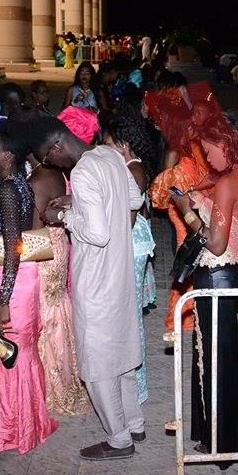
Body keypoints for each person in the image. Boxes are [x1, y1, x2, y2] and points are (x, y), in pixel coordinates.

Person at [29, 116, 145, 461]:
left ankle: (119, 439)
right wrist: (76, 204)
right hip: (120, 275)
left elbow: (97, 234)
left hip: (95, 281)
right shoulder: (109, 155)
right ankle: (135, 422)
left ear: (57, 146)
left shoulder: (81, 172)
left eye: (50, 159)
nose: (54, 167)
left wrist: (62, 218)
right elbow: (135, 200)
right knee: (122, 356)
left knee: (95, 364)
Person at [171, 114, 238, 458]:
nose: (207, 158)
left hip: (217, 271)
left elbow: (217, 243)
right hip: (230, 273)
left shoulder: (228, 183)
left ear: (224, 145)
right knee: (219, 357)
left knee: (214, 359)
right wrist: (202, 199)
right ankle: (221, 438)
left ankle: (221, 443)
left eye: (209, 151)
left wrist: (188, 212)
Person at [0, 121, 58, 453]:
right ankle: (31, 423)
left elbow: (13, 244)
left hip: (10, 276)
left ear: (8, 155)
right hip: (20, 270)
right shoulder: (17, 184)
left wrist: (3, 298)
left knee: (10, 354)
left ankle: (15, 432)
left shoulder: (10, 190)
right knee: (21, 355)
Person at [25, 147, 89, 417]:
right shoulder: (55, 172)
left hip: (44, 254)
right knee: (58, 306)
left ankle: (52, 388)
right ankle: (67, 378)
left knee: (45, 314)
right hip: (59, 244)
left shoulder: (36, 181)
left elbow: (33, 238)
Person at [102, 115, 156, 404]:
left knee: (130, 319)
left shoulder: (132, 172)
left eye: (109, 144)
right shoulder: (129, 168)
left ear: (123, 145)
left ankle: (136, 387)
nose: (106, 148)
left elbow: (127, 220)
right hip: (134, 244)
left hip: (131, 246)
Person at [149, 104, 210, 331]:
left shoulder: (190, 148)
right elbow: (169, 187)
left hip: (193, 206)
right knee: (190, 256)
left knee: (193, 257)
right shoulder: (182, 149)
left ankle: (190, 313)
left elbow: (168, 187)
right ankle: (185, 315)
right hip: (186, 208)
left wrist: (190, 193)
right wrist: (187, 192)